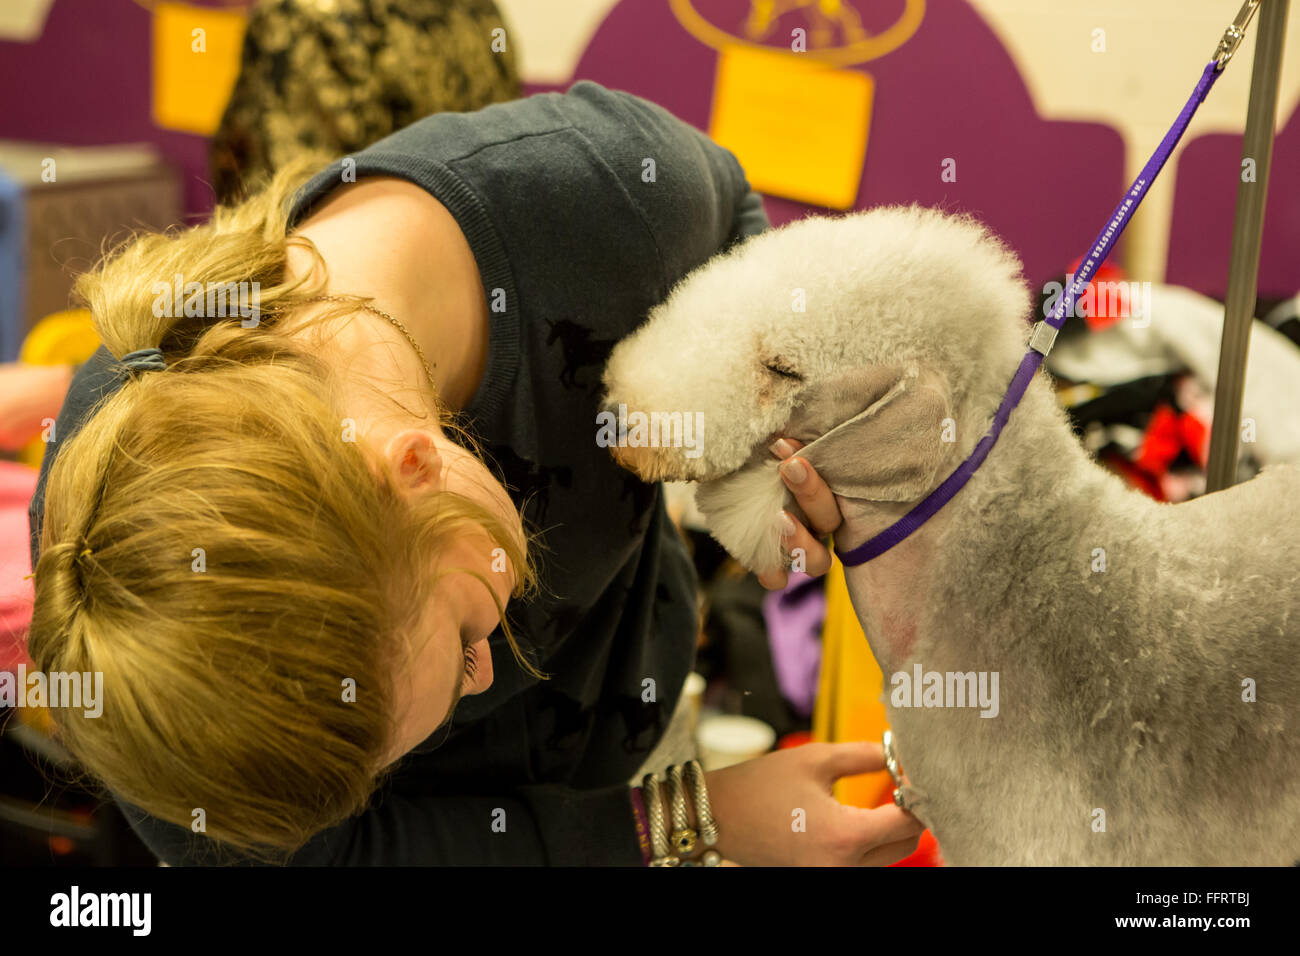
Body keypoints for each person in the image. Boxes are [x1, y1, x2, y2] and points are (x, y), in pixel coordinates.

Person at [26, 79, 922, 865]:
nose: (486, 674)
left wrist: (749, 447)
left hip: (626, 729)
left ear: (417, 464)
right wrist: (689, 819)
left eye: (462, 640)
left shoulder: (596, 197)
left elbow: (737, 233)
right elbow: (329, 860)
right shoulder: (129, 601)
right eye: (463, 648)